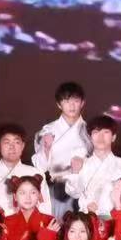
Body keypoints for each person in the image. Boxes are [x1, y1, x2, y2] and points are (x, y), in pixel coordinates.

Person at [63, 115, 121, 218]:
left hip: (118, 220)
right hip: (88, 220)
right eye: (96, 132)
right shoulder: (82, 165)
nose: (100, 137)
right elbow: (74, 193)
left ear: (113, 137)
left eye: (106, 132)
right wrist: (75, 173)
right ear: (90, 137)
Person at [35, 81, 92, 212]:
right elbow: (40, 167)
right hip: (56, 190)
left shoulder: (90, 131)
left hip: (84, 189)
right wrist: (46, 148)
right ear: (59, 104)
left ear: (82, 103)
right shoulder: (47, 130)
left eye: (76, 101)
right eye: (66, 101)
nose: (72, 106)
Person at [0, 124, 52, 216]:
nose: (12, 147)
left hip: (27, 224)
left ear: (22, 146)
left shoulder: (35, 173)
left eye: (17, 142)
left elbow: (45, 206)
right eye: (7, 142)